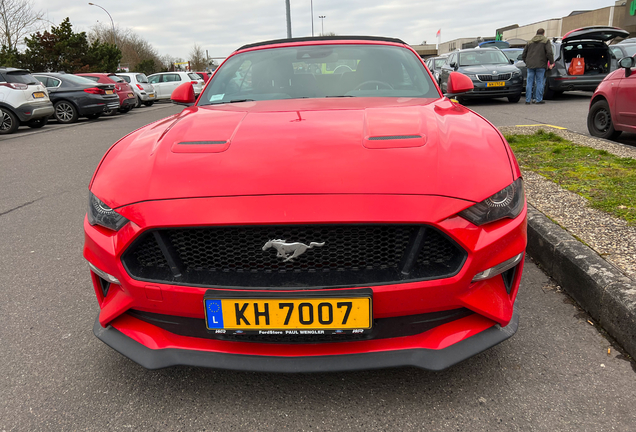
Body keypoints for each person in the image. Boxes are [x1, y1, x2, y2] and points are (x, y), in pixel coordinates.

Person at [522, 28, 554, 104]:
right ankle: (538, 99)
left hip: (530, 65)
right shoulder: (546, 41)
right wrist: (551, 62)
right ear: (543, 33)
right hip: (541, 64)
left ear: (536, 33)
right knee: (539, 82)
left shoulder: (529, 42)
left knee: (529, 82)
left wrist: (527, 62)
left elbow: (524, 54)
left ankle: (527, 100)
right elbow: (549, 52)